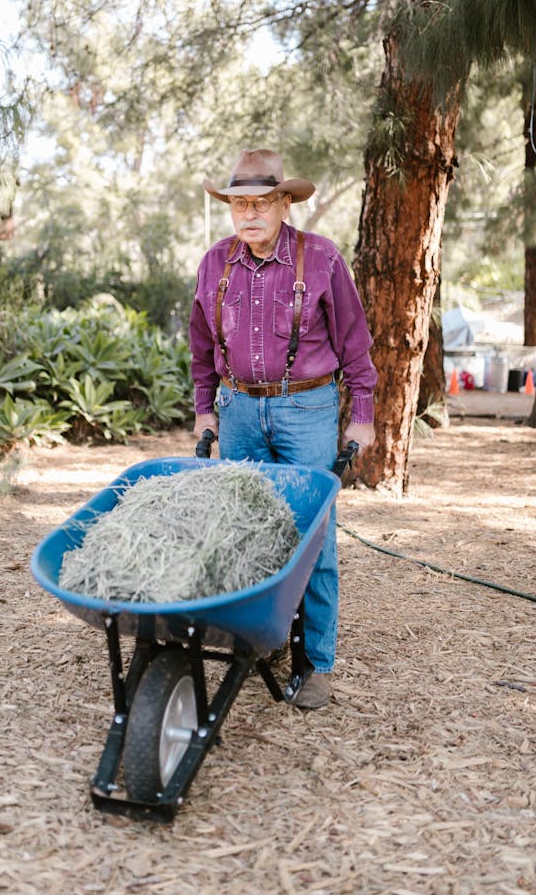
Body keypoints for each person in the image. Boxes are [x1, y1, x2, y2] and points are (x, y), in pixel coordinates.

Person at [189, 148, 377, 709]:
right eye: (238, 204)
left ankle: (317, 663)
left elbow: (355, 347)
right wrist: (206, 410)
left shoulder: (322, 260)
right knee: (247, 529)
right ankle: (260, 641)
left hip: (308, 411)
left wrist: (361, 417)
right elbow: (201, 350)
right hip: (240, 410)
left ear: (284, 203)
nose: (248, 214)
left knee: (313, 540)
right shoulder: (212, 264)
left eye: (261, 203)